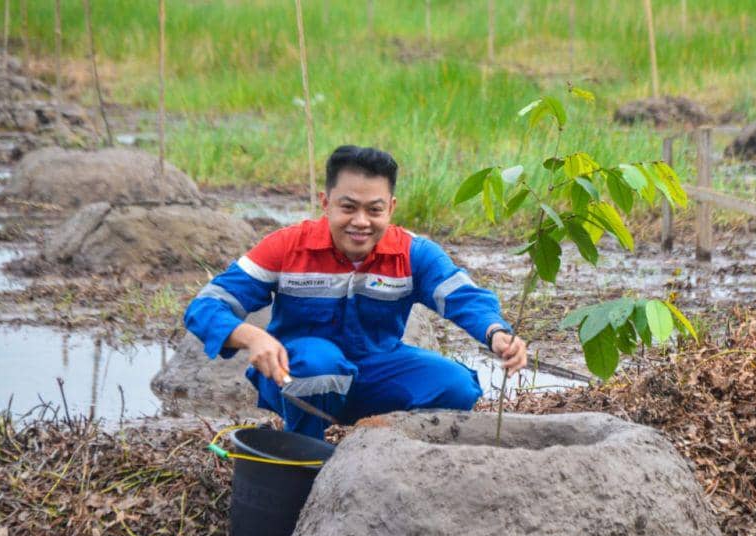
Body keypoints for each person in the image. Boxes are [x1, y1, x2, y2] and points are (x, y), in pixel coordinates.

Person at [184, 145, 527, 439]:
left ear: (390, 208)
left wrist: (496, 332)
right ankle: (306, 450)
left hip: (378, 370)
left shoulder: (413, 253)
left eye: (374, 210)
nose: (361, 221)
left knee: (457, 385)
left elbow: (463, 297)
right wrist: (250, 337)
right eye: (348, 207)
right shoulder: (286, 247)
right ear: (325, 202)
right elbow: (206, 306)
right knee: (321, 363)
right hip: (302, 372)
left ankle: (377, 437)